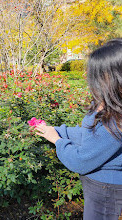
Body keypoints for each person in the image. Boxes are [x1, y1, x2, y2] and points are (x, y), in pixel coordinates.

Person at [34, 38, 122, 220]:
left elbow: (81, 161)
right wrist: (57, 130)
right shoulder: (108, 106)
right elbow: (90, 134)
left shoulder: (116, 120)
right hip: (99, 187)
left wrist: (57, 140)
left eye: (96, 75)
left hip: (105, 190)